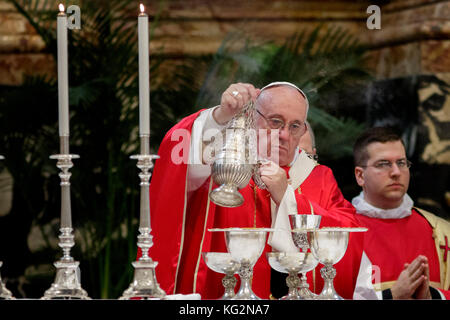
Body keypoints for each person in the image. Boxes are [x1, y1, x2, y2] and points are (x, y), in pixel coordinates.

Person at [147, 81, 375, 299]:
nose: (285, 135)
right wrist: (221, 116)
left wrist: (287, 196)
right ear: (253, 118)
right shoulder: (227, 163)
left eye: (295, 126)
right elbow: (180, 160)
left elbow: (349, 233)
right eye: (275, 121)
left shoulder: (319, 177)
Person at [352, 126, 450, 299]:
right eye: (384, 164)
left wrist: (431, 296)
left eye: (401, 163)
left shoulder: (441, 232)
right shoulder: (343, 231)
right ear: (360, 176)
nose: (396, 172)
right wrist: (392, 295)